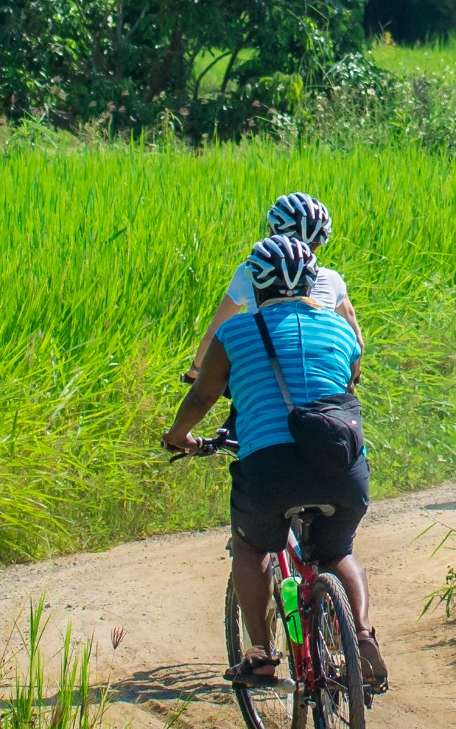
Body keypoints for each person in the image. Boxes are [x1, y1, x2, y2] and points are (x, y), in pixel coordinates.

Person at [163, 234, 388, 692]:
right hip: (342, 465)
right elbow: (346, 383)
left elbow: (205, 394)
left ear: (257, 285)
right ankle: (362, 634)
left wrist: (178, 436)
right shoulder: (341, 330)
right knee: (339, 552)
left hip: (269, 467)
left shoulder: (234, 332)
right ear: (311, 279)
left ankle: (262, 656)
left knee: (251, 548)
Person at [187, 192, 358, 382]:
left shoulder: (251, 272)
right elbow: (356, 336)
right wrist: (352, 381)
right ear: (318, 243)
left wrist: (195, 370)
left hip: (265, 379)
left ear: (273, 234)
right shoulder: (333, 280)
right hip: (323, 388)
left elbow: (214, 333)